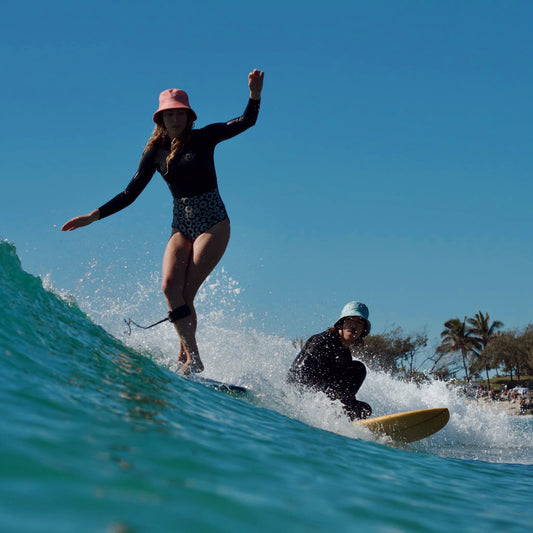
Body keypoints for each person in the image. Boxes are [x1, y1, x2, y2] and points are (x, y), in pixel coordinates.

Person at [62, 69, 265, 374]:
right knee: (170, 287)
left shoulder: (204, 138)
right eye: (168, 115)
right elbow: (130, 193)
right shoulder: (155, 152)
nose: (174, 119)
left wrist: (254, 94)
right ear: (160, 119)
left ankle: (189, 360)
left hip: (214, 222)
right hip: (180, 225)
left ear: (188, 116)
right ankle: (190, 357)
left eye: (179, 114)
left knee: (185, 293)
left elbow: (245, 121)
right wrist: (93, 216)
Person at [287, 301, 372, 420]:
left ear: (363, 330)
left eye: (359, 322)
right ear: (342, 322)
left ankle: (342, 418)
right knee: (359, 369)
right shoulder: (322, 341)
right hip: (306, 397)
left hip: (328, 400)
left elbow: (344, 391)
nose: (354, 325)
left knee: (364, 409)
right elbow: (297, 375)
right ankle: (337, 413)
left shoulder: (346, 355)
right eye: (351, 320)